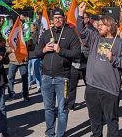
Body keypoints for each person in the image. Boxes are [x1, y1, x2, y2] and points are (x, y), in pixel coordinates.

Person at [77, 2, 122, 136]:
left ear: (110, 27)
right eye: (98, 24)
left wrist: (113, 58)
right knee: (95, 120)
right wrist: (80, 14)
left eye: (102, 24)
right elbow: (82, 31)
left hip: (110, 89)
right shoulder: (95, 38)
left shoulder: (120, 43)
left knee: (111, 120)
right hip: (92, 87)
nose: (98, 26)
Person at [32, 8, 81, 137]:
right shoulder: (46, 33)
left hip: (62, 78)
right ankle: (50, 133)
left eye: (60, 18)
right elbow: (36, 52)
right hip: (46, 77)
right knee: (48, 108)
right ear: (52, 20)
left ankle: (60, 134)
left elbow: (77, 54)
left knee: (62, 109)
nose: (57, 20)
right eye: (55, 18)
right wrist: (43, 50)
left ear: (64, 19)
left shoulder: (70, 34)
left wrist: (61, 50)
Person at [67, 12, 91, 111]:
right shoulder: (73, 30)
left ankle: (89, 101)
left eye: (84, 18)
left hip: (86, 63)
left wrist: (87, 44)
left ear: (88, 19)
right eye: (80, 18)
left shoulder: (91, 31)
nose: (81, 20)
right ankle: (70, 104)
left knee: (89, 85)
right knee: (72, 86)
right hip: (74, 63)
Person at [8, 26, 30, 102]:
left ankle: (25, 95)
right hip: (13, 61)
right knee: (10, 79)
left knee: (24, 79)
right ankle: (11, 94)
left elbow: (31, 48)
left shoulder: (25, 38)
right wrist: (11, 49)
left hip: (23, 61)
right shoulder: (10, 39)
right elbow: (6, 49)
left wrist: (29, 42)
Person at [26, 23, 42, 91]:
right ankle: (28, 84)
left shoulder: (37, 34)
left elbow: (35, 42)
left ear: (35, 27)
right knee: (28, 72)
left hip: (35, 55)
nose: (30, 28)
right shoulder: (27, 34)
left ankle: (39, 86)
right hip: (28, 55)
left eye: (32, 27)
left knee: (36, 71)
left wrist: (30, 40)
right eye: (30, 27)